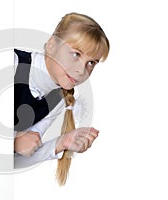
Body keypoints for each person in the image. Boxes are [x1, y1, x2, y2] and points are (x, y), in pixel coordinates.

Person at [14, 12, 110, 186]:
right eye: (76, 54)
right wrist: (13, 143)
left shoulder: (57, 99)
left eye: (91, 62)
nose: (81, 70)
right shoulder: (11, 64)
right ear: (51, 45)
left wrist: (62, 142)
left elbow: (14, 160)